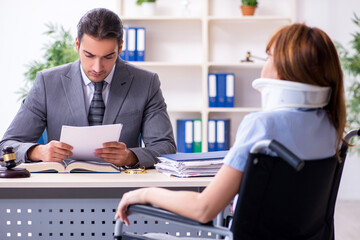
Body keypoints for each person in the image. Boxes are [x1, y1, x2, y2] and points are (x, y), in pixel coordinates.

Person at [116, 23, 346, 227]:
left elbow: (203, 209)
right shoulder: (332, 127)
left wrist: (143, 193)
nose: (264, 64)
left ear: (284, 69)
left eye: (268, 57)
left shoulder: (262, 127)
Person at [0, 8, 176, 168]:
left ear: (120, 48)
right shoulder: (47, 82)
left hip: (122, 188)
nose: (97, 67)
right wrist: (38, 152)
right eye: (89, 55)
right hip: (62, 189)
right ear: (77, 45)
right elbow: (7, 145)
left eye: (108, 56)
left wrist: (131, 157)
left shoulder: (145, 82)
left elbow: (166, 148)